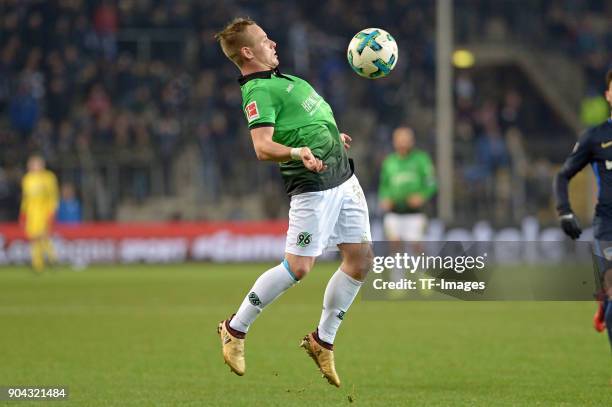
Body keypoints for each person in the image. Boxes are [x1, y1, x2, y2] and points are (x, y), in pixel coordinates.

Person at [214, 17, 372, 387]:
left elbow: (308, 118)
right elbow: (263, 146)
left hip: (343, 177)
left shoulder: (284, 80)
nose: (274, 45)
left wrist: (333, 136)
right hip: (313, 184)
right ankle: (234, 330)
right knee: (299, 267)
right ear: (248, 52)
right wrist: (299, 151)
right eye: (266, 41)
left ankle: (323, 341)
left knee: (361, 260)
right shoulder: (257, 91)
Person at [553, 69, 612, 351]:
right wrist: (565, 210)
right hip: (607, 225)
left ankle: (603, 305)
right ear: (608, 96)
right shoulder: (595, 137)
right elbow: (562, 176)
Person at [379, 127, 437, 242]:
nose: (403, 142)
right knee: (394, 246)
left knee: (416, 248)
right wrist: (384, 199)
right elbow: (384, 186)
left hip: (415, 213)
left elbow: (432, 183)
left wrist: (422, 196)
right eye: (400, 139)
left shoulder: (421, 159)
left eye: (406, 139)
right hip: (394, 212)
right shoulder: (389, 162)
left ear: (412, 141)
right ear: (394, 141)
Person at [20, 154, 59, 272]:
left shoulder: (49, 177)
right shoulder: (27, 179)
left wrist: (52, 211)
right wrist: (23, 213)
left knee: (43, 235)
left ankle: (52, 259)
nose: (34, 166)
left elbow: (53, 196)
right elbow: (25, 198)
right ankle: (38, 263)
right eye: (32, 164)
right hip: (32, 212)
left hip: (44, 211)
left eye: (36, 164)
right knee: (33, 237)